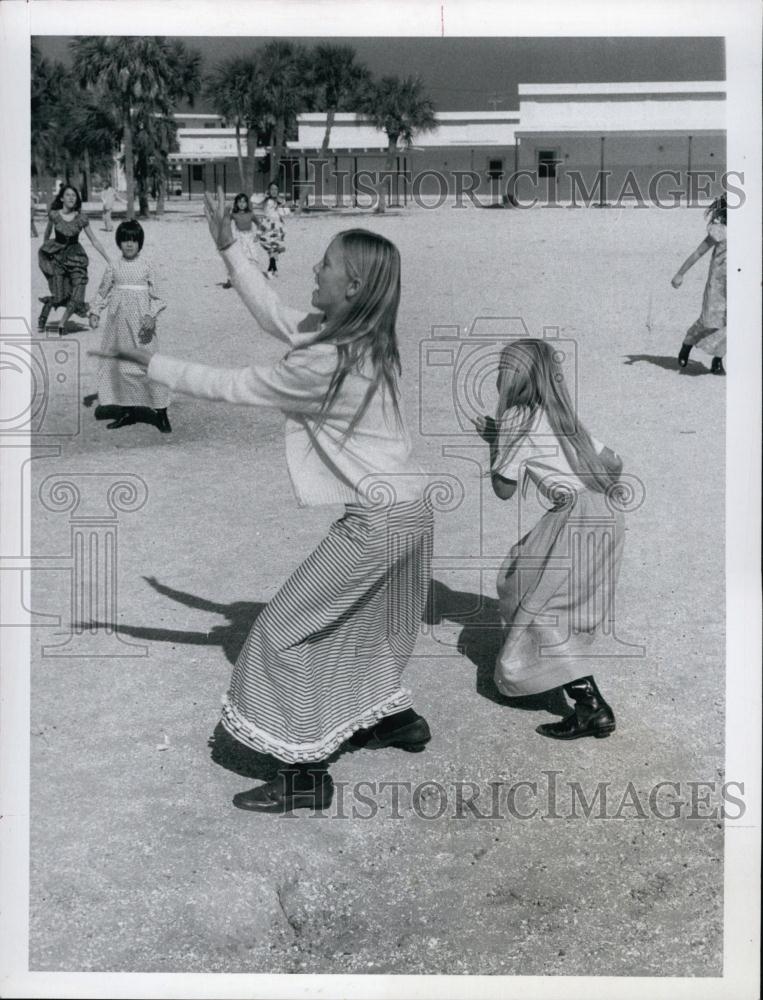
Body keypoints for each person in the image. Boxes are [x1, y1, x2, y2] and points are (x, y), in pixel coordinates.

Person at [90, 187, 433, 813]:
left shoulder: (325, 362)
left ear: (352, 286)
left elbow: (235, 385)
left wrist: (148, 360)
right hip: (413, 514)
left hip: (377, 522)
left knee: (276, 636)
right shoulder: (366, 339)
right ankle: (393, 720)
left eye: (325, 263)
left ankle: (305, 776)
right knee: (363, 628)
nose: (313, 268)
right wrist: (229, 249)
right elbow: (275, 313)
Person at [473, 339, 625, 741]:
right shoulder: (562, 416)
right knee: (545, 592)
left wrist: (496, 446)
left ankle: (590, 704)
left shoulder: (516, 419)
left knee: (532, 598)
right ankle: (563, 678)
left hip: (573, 516)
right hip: (605, 514)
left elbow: (504, 490)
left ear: (513, 379)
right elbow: (614, 462)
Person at [87, 220, 171, 432]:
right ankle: (128, 412)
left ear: (140, 242)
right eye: (125, 240)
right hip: (118, 325)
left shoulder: (147, 266)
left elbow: (159, 297)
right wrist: (96, 311)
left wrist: (151, 316)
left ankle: (161, 413)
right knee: (120, 367)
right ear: (119, 242)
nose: (129, 244)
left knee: (147, 366)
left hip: (142, 327)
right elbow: (103, 292)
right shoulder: (113, 266)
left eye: (133, 240)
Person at [38, 184, 110, 335]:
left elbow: (94, 241)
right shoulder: (54, 215)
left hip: (77, 258)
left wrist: (109, 260)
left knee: (77, 293)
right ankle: (50, 304)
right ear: (62, 198)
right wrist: (47, 252)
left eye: (74, 195)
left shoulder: (81, 218)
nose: (71, 198)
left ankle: (62, 324)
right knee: (59, 296)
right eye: (68, 195)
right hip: (58, 258)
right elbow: (46, 235)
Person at [671, 195, 727, 375]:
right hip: (718, 283)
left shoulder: (751, 228)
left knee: (733, 323)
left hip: (740, 284)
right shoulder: (719, 230)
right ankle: (687, 344)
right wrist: (680, 274)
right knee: (709, 320)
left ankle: (718, 360)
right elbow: (698, 253)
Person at [222, 193, 264, 289]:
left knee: (251, 257)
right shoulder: (234, 214)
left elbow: (259, 224)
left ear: (247, 203)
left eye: (244, 202)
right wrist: (226, 209)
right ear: (236, 203)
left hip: (249, 238)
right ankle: (230, 280)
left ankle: (252, 280)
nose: (242, 204)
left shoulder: (251, 214)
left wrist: (258, 234)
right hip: (238, 238)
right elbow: (225, 221)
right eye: (239, 202)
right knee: (236, 258)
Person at [255, 181, 289, 279]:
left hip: (278, 225)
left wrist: (281, 204)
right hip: (267, 225)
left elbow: (286, 212)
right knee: (270, 247)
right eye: (272, 189)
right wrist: (265, 196)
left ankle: (271, 268)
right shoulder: (265, 200)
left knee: (275, 247)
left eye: (276, 189)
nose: (274, 191)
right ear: (269, 190)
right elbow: (255, 201)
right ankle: (273, 268)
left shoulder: (280, 201)